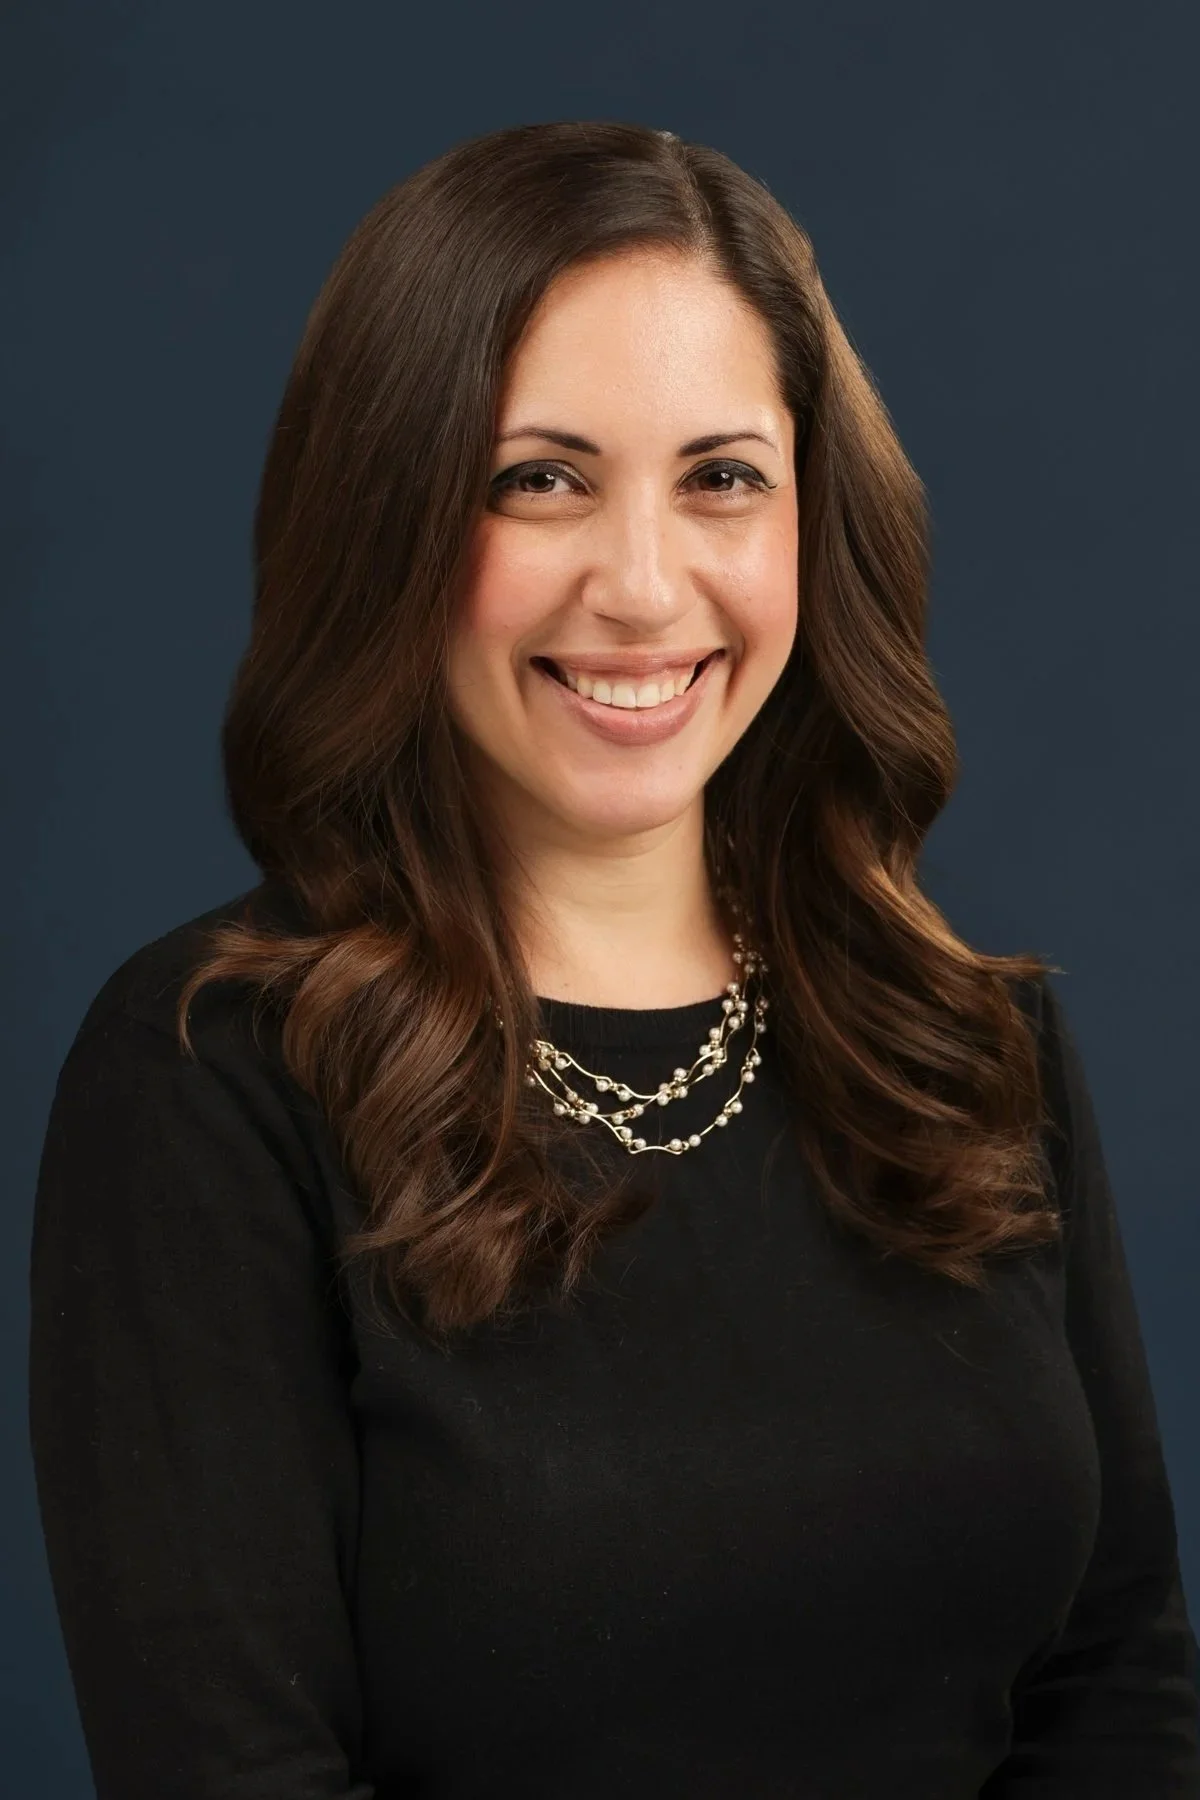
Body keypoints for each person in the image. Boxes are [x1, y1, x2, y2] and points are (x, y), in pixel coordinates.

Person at [28, 119, 1199, 1799]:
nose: (644, 587)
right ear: (390, 515)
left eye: (721, 476)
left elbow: (1120, 1670)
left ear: (813, 514)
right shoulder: (214, 1076)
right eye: (540, 479)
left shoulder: (961, 1035)